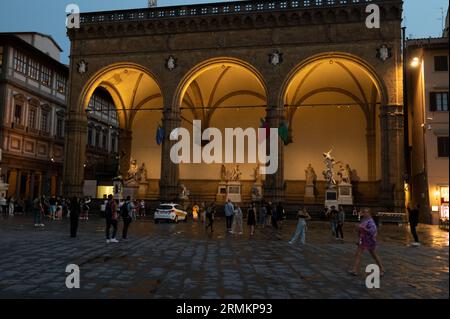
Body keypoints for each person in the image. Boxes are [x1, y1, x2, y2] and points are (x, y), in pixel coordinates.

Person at [349, 208, 385, 277]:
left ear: (369, 213)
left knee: (374, 255)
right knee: (358, 254)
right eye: (364, 212)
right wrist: (357, 229)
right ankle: (355, 270)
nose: (365, 214)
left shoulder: (371, 222)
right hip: (363, 240)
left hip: (370, 240)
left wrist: (363, 229)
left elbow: (373, 231)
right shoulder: (363, 220)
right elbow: (360, 230)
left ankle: (382, 268)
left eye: (366, 212)